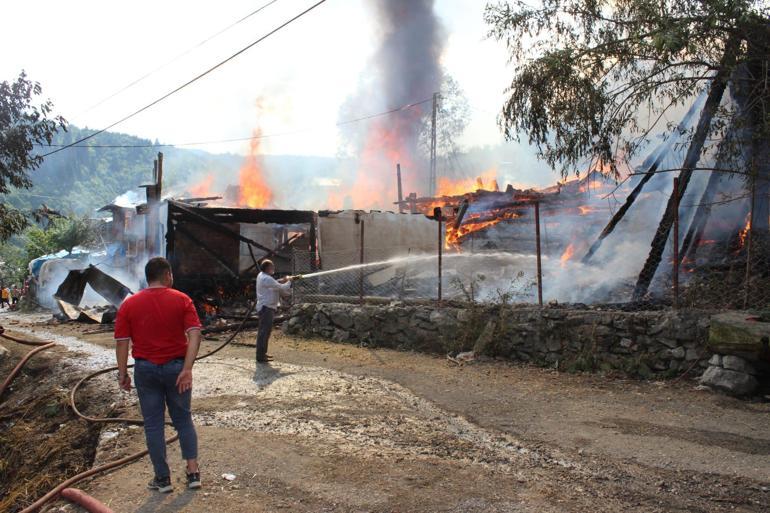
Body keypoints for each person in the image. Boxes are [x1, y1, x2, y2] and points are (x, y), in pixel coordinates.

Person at [114, 257, 203, 493]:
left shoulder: (129, 304)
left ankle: (162, 479)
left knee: (153, 426)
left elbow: (122, 343)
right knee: (183, 420)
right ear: (167, 276)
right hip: (176, 369)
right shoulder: (182, 299)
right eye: (171, 275)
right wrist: (187, 369)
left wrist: (123, 374)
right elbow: (195, 334)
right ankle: (193, 472)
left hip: (145, 370)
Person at [255, 260, 293, 363]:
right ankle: (261, 356)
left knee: (265, 332)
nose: (274, 268)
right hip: (266, 308)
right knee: (264, 332)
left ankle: (262, 354)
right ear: (267, 268)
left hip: (266, 307)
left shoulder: (262, 275)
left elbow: (274, 283)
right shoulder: (266, 278)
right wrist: (290, 280)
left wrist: (283, 279)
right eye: (272, 266)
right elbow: (281, 288)